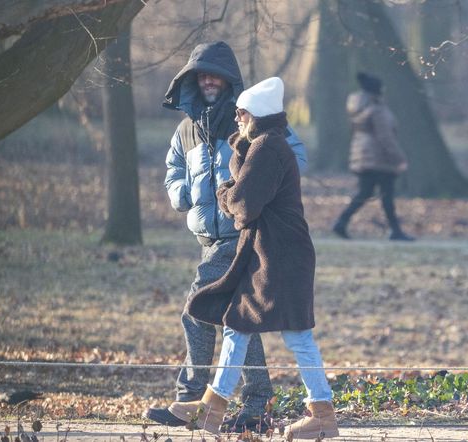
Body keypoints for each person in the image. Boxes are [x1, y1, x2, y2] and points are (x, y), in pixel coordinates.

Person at [144, 42, 308, 431]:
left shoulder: (255, 121)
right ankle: (256, 405)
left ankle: (191, 398)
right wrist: (181, 194)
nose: (208, 80)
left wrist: (250, 186)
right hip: (210, 241)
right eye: (202, 75)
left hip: (244, 232)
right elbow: (172, 170)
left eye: (215, 74)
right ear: (192, 81)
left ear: (229, 79)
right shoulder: (186, 129)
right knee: (239, 319)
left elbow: (295, 158)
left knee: (196, 308)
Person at [163, 77, 339, 439]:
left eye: (241, 113)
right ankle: (213, 406)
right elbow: (246, 196)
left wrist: (225, 191)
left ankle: (321, 413)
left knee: (296, 335)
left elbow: (242, 208)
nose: (236, 118)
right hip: (268, 253)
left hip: (281, 257)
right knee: (238, 325)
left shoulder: (268, 148)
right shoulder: (262, 145)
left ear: (254, 114)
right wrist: (237, 170)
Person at [332, 72, 414, 241]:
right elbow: (386, 138)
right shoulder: (377, 110)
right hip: (379, 159)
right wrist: (399, 159)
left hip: (363, 157)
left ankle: (341, 222)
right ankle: (395, 231)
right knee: (387, 197)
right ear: (378, 91)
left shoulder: (359, 108)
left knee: (365, 193)